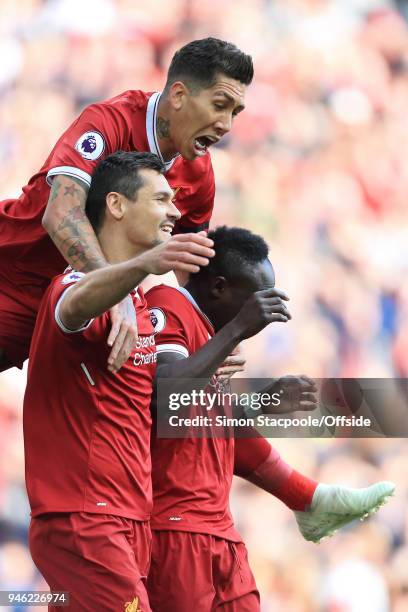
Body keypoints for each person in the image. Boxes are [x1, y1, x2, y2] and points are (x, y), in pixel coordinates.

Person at [145, 226, 395, 611]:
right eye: (257, 299)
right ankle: (309, 499)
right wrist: (236, 329)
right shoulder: (168, 302)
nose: (265, 313)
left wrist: (261, 401)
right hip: (177, 528)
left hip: (218, 528)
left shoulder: (210, 341)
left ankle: (308, 498)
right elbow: (167, 402)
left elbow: (198, 427)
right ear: (219, 287)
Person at [23, 151, 215, 612]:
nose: (174, 211)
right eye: (161, 198)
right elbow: (71, 308)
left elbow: (147, 405)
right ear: (116, 205)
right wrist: (144, 264)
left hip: (127, 517)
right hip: (87, 518)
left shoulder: (139, 306)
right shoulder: (76, 284)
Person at [0, 37, 252, 372]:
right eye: (220, 105)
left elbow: (191, 269)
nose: (226, 125)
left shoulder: (199, 174)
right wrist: (112, 291)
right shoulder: (110, 122)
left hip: (77, 313)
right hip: (10, 277)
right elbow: (61, 213)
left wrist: (213, 337)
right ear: (178, 95)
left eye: (235, 112)